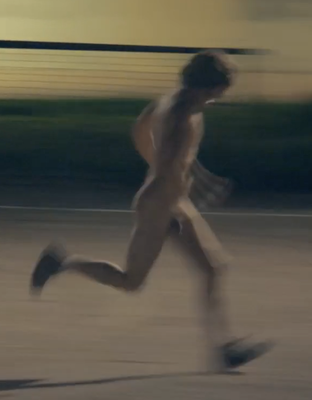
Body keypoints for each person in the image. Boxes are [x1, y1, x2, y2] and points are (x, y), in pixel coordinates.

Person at [30, 50, 268, 371]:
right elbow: (170, 162)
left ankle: (224, 348)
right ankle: (61, 261)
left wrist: (175, 176)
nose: (220, 96)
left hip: (170, 202)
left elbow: (140, 130)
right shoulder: (183, 116)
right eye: (220, 89)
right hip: (159, 207)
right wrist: (197, 184)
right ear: (208, 86)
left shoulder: (170, 101)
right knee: (130, 281)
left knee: (214, 268)